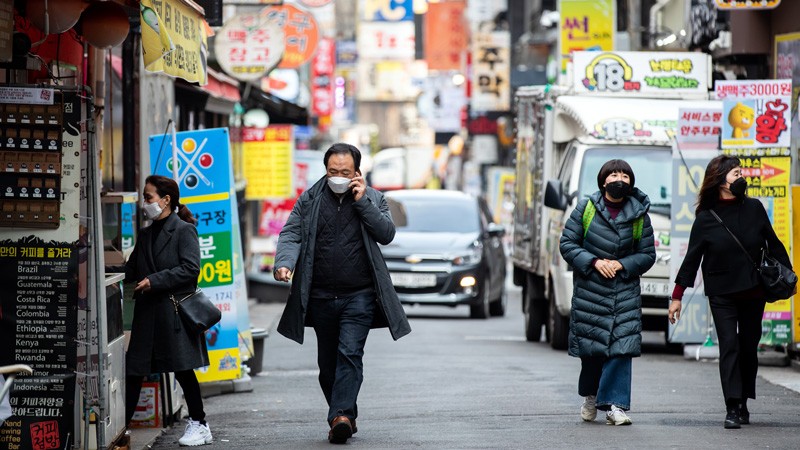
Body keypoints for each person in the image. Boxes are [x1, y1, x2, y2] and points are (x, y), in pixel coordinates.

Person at [273, 143, 411, 444]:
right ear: (326, 170)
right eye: (333, 172)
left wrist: (363, 202)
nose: (338, 177)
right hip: (320, 296)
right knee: (327, 366)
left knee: (350, 354)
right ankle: (345, 412)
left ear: (357, 172)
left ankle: (341, 417)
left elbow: (386, 234)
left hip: (359, 295)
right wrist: (284, 263)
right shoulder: (309, 200)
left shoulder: (373, 198)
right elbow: (291, 233)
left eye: (345, 172)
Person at [669, 155, 791, 429]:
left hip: (753, 291)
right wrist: (677, 296)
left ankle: (744, 400)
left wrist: (788, 274)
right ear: (720, 180)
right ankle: (732, 406)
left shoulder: (755, 208)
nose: (741, 178)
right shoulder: (705, 218)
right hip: (721, 292)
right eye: (736, 173)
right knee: (729, 345)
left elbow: (774, 243)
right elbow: (692, 259)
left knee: (748, 347)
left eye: (741, 172)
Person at [559, 159, 656, 426]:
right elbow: (567, 243)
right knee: (593, 352)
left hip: (624, 292)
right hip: (591, 292)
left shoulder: (640, 215)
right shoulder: (586, 209)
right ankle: (591, 396)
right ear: (603, 181)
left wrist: (622, 264)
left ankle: (616, 406)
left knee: (621, 350)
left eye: (625, 175)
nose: (620, 179)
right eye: (614, 174)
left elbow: (648, 255)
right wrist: (594, 262)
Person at [123, 175, 213, 446]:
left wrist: (155, 280)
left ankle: (200, 423)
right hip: (147, 313)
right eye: (144, 197)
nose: (144, 203)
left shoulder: (184, 230)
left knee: (183, 370)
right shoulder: (146, 233)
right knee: (135, 371)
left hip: (173, 313)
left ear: (166, 200)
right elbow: (132, 270)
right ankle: (122, 428)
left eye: (148, 197)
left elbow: (190, 269)